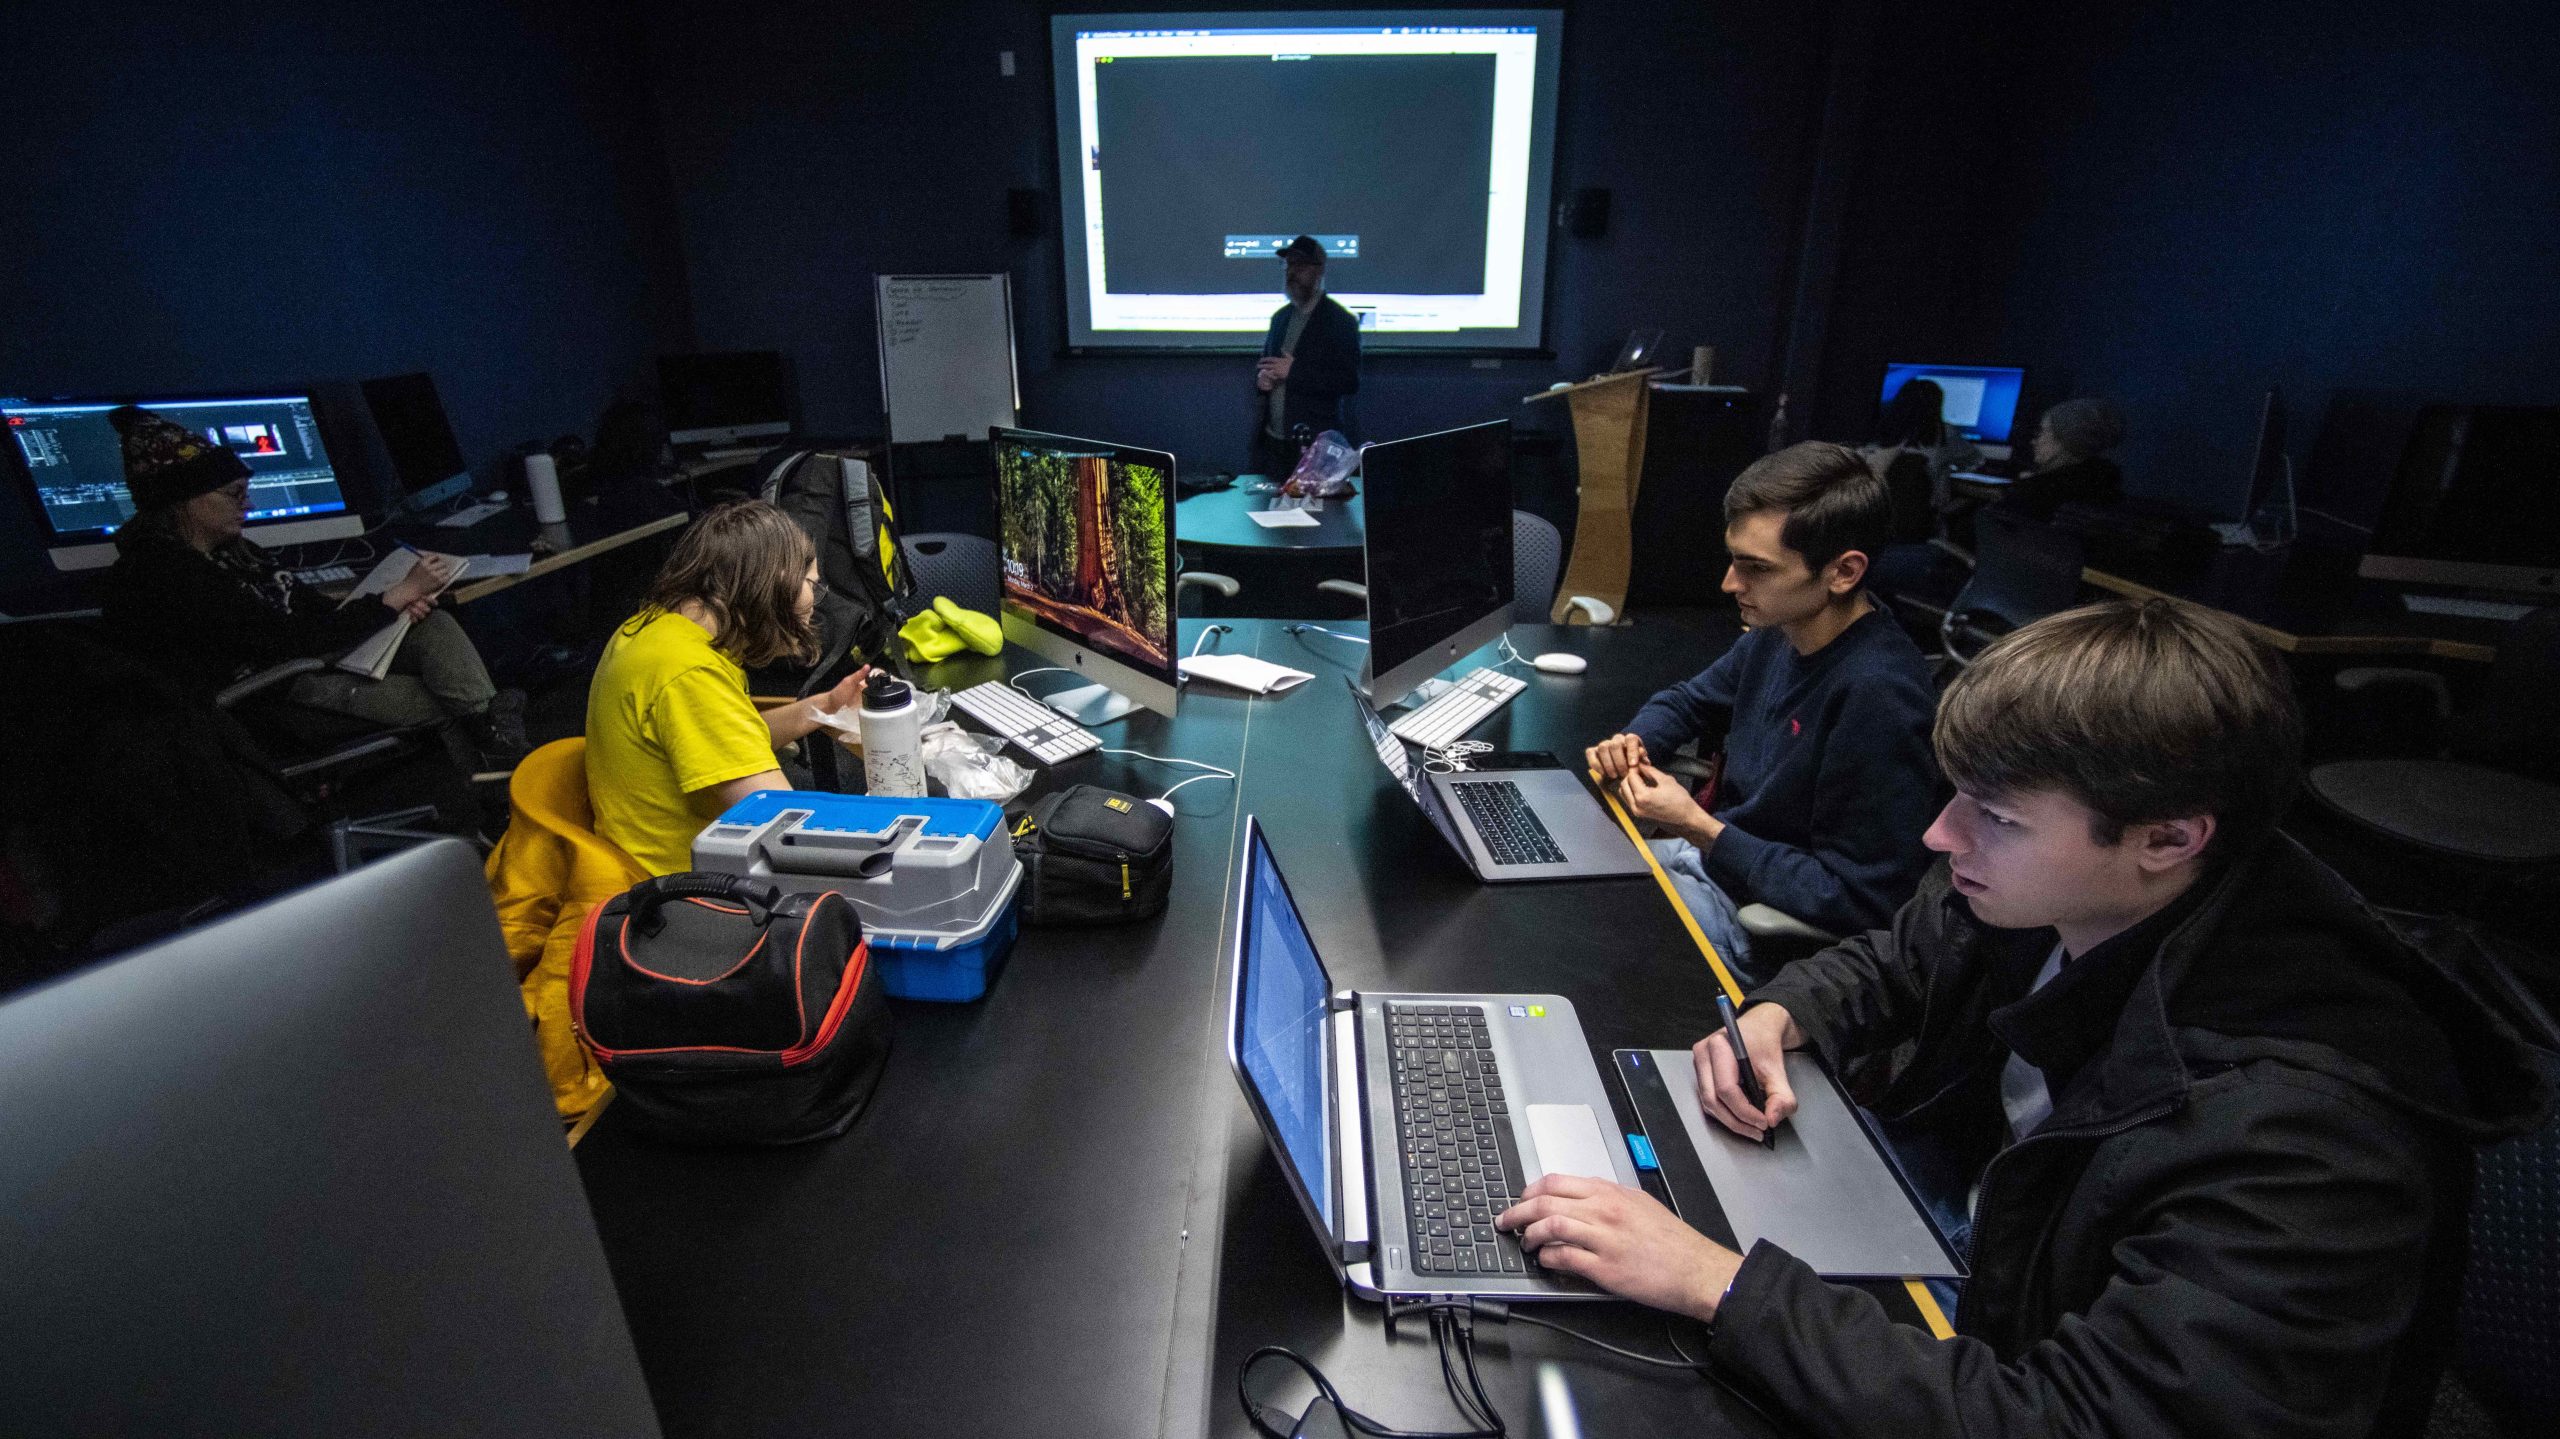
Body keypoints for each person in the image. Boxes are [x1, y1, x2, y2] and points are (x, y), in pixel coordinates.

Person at [1503, 598, 2550, 1438]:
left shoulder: (2303, 1137)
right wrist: (1784, 1006)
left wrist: (1720, 1286)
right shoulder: (2063, 887)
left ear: (2167, 835)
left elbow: (2083, 1413)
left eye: (1993, 816)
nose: (1939, 831)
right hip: (1990, 1258)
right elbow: (1907, 952)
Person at [1585, 442, 1939, 984]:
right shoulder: (1781, 632)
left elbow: (1860, 899)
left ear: (1843, 572)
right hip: (1714, 866)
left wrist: (1700, 827)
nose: (1730, 583)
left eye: (1756, 568)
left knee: (1578, 934)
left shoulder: (1881, 696)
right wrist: (1633, 742)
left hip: (1761, 930)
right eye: (1733, 560)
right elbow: (1688, 702)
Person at [97, 403, 524, 768]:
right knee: (445, 701)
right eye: (233, 494)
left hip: (313, 662)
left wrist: (395, 605)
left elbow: (315, 614)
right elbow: (290, 642)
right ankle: (497, 765)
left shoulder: (234, 552)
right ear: (183, 500)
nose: (248, 504)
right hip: (272, 693)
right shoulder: (163, 574)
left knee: (435, 626)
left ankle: (497, 748)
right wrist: (392, 600)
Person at [584, 500, 870, 876]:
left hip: (653, 865)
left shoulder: (652, 632)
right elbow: (789, 833)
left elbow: (724, 745)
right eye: (811, 586)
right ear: (776, 579)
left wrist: (825, 706)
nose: (812, 605)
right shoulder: (689, 673)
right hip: (685, 891)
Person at [1249, 234, 1361, 477]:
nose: (1292, 271)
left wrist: (1294, 372)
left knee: (1316, 514)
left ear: (1319, 271)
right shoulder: (1280, 318)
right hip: (1273, 442)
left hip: (1314, 446)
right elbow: (1268, 366)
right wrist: (1262, 381)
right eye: (1288, 265)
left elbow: (1348, 381)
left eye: (1300, 265)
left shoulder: (1340, 322)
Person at [2002, 396, 2125, 521]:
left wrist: (2024, 486)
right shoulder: (2104, 485)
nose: (2033, 441)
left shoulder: (2036, 493)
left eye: (2041, 432)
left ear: (2066, 440)